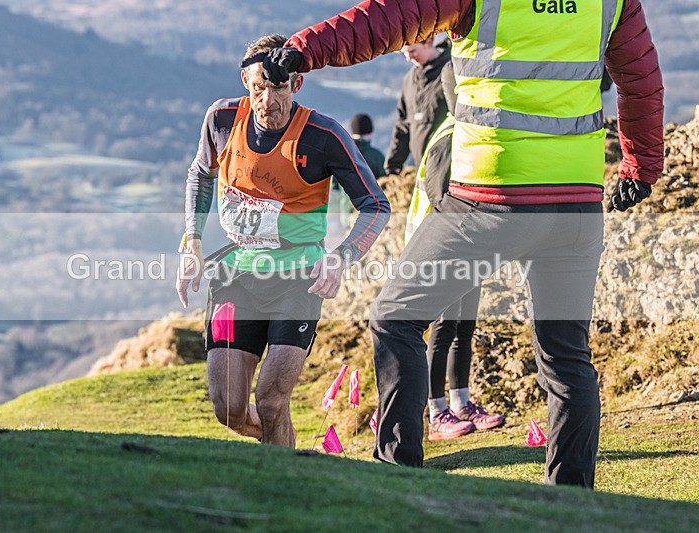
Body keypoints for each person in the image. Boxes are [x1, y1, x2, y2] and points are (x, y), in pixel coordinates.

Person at [258, 0, 664, 487]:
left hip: (488, 200)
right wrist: (641, 168)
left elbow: (386, 20)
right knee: (566, 356)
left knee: (395, 317)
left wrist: (303, 50)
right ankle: (572, 499)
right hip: (574, 204)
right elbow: (640, 79)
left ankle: (398, 473)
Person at [176, 34, 390, 448]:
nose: (267, 100)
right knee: (229, 410)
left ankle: (282, 485)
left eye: (278, 88)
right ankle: (285, 444)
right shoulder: (220, 120)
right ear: (245, 81)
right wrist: (193, 241)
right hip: (236, 274)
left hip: (298, 278)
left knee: (271, 400)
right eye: (258, 88)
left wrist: (342, 256)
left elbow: (375, 205)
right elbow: (200, 175)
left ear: (297, 84)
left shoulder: (323, 135)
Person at [406, 62, 504, 440]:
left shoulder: (467, 132)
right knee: (444, 329)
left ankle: (462, 404)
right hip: (442, 250)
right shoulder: (451, 137)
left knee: (464, 328)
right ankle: (437, 413)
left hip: (470, 247)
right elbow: (441, 198)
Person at [385, 33, 451, 175]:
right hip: (421, 167)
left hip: (449, 166)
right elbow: (404, 123)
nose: (408, 58)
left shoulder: (451, 72)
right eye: (404, 53)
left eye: (412, 51)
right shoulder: (409, 80)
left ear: (429, 42)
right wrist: (394, 163)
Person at [334, 113, 386, 227]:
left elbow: (334, 185)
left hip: (347, 215)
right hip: (370, 216)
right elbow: (385, 185)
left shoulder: (341, 154)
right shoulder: (377, 156)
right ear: (370, 133)